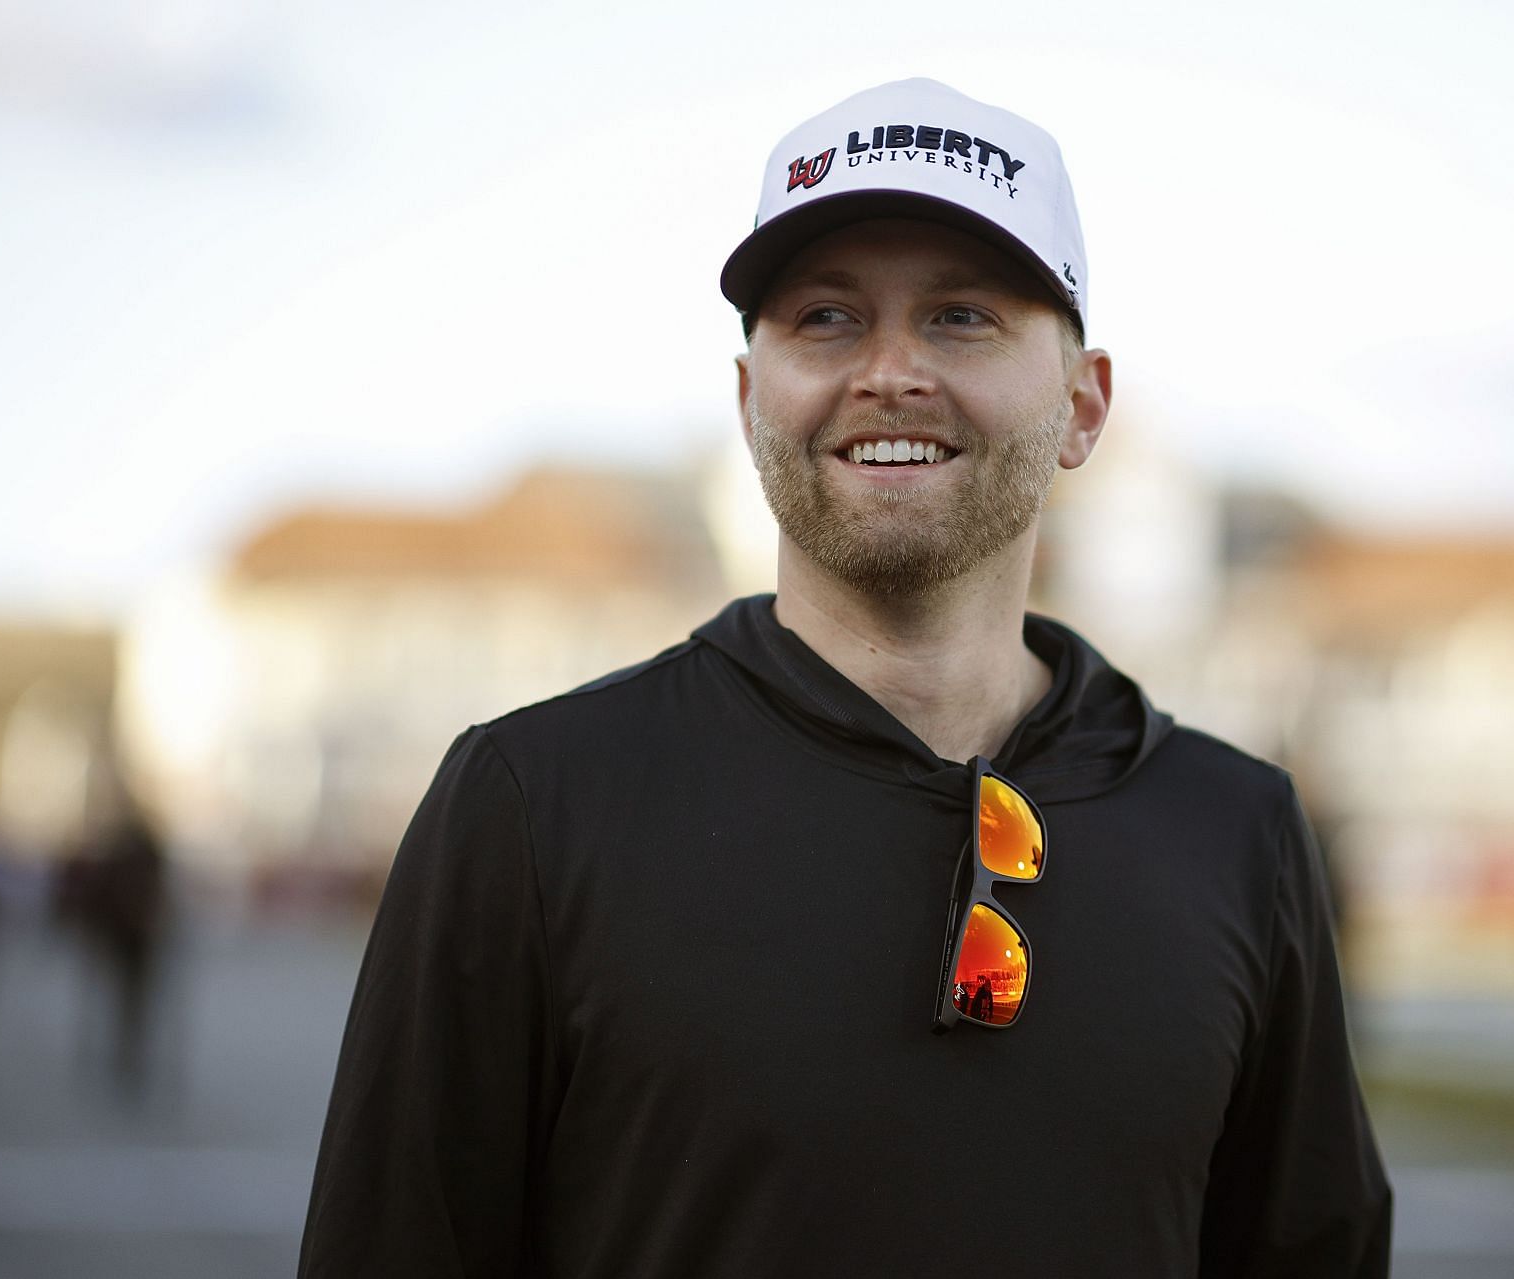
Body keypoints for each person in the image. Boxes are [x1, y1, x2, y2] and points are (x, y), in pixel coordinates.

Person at [299, 78, 1390, 1277]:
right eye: (825, 317)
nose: (888, 372)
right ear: (748, 394)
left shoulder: (1234, 830)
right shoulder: (529, 807)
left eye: (963, 317)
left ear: (1085, 407)